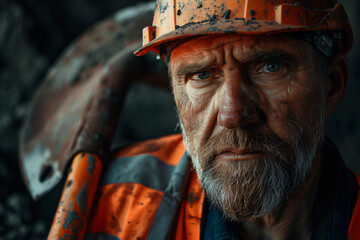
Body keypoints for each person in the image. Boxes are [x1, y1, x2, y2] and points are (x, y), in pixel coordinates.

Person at [84, 0, 360, 239]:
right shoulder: (114, 200)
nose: (233, 115)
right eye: (201, 75)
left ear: (330, 86)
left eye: (270, 68)